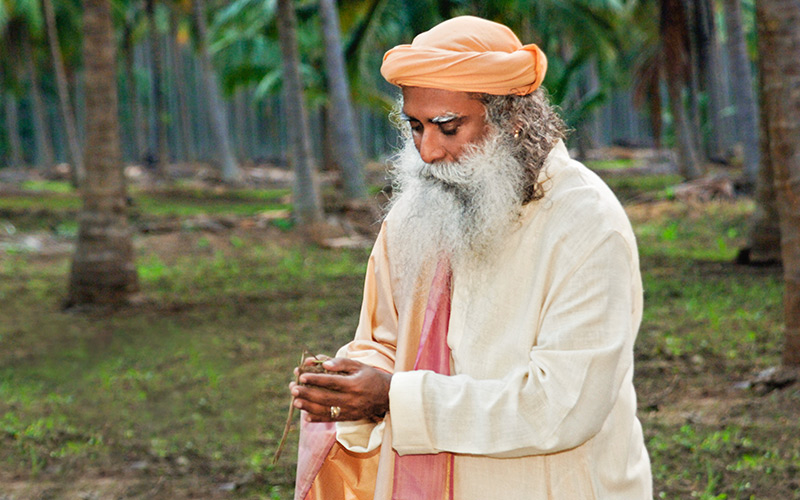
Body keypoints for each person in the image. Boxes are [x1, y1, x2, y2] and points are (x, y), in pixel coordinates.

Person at [289, 15, 652, 500]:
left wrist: (392, 397)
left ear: (513, 120)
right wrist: (346, 381)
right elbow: (383, 339)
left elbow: (563, 407)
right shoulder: (417, 210)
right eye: (415, 127)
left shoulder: (586, 221)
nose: (428, 151)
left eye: (447, 127)